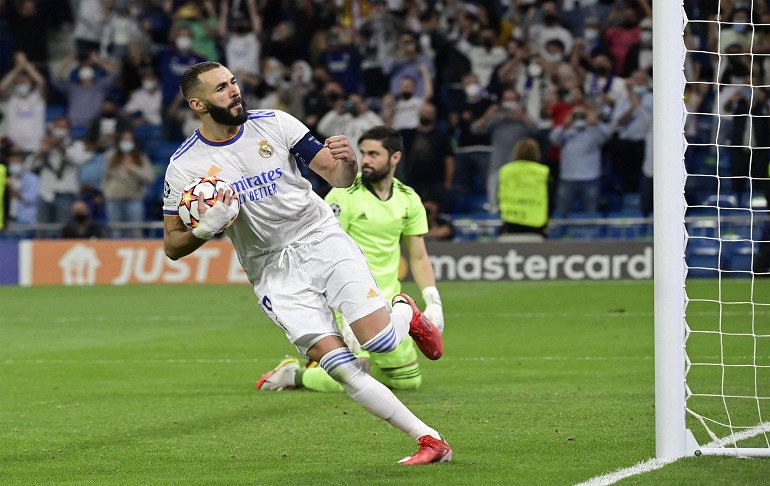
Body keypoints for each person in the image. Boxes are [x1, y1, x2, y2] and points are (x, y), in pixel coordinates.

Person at [161, 61, 451, 465]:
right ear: (198, 103)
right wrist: (205, 229)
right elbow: (173, 245)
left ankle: (405, 309)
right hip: (271, 270)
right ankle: (431, 441)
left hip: (320, 239)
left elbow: (339, 178)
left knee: (381, 341)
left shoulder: (276, 124)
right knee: (341, 368)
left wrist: (347, 161)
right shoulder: (184, 165)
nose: (234, 91)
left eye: (233, 82)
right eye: (221, 88)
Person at [256, 126, 445, 393]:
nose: (365, 159)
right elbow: (322, 254)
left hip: (390, 306)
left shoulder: (408, 199)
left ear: (395, 158)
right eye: (363, 152)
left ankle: (330, 367)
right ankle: (292, 376)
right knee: (357, 376)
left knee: (409, 382)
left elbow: (418, 256)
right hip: (350, 303)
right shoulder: (343, 197)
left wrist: (433, 300)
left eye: (374, 154)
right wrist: (340, 319)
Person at [102, 130, 156, 238]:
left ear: (134, 142)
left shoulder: (140, 158)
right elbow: (104, 177)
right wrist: (107, 192)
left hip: (133, 199)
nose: (126, 142)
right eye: (124, 139)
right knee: (115, 232)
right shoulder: (111, 157)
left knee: (135, 231)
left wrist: (132, 168)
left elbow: (150, 178)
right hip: (114, 199)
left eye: (129, 140)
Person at [497, 138, 550, 239]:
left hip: (510, 222)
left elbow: (499, 194)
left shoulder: (505, 170)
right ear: (536, 153)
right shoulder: (544, 172)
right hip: (536, 224)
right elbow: (550, 200)